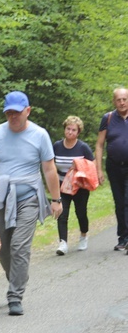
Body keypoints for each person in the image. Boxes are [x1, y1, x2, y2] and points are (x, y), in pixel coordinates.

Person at [0, 91, 62, 316]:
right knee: (0, 246)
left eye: (17, 112)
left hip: (29, 196)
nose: (13, 116)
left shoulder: (40, 135)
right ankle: (17, 277)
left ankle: (15, 295)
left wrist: (56, 199)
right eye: (9, 112)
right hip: (1, 196)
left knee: (19, 246)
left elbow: (49, 168)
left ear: (27, 111)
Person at [53, 116, 94, 255]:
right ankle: (63, 243)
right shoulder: (57, 146)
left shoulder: (83, 147)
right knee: (62, 214)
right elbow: (51, 167)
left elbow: (91, 166)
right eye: (68, 129)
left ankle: (83, 235)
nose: (70, 132)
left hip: (79, 187)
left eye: (73, 130)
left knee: (81, 213)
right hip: (62, 186)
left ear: (78, 132)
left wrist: (79, 167)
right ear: (64, 129)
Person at [95, 87, 128, 251]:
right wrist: (98, 169)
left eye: (124, 99)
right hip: (114, 166)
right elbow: (100, 145)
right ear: (114, 101)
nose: (122, 102)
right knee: (119, 202)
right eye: (118, 100)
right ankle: (122, 238)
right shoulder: (107, 118)